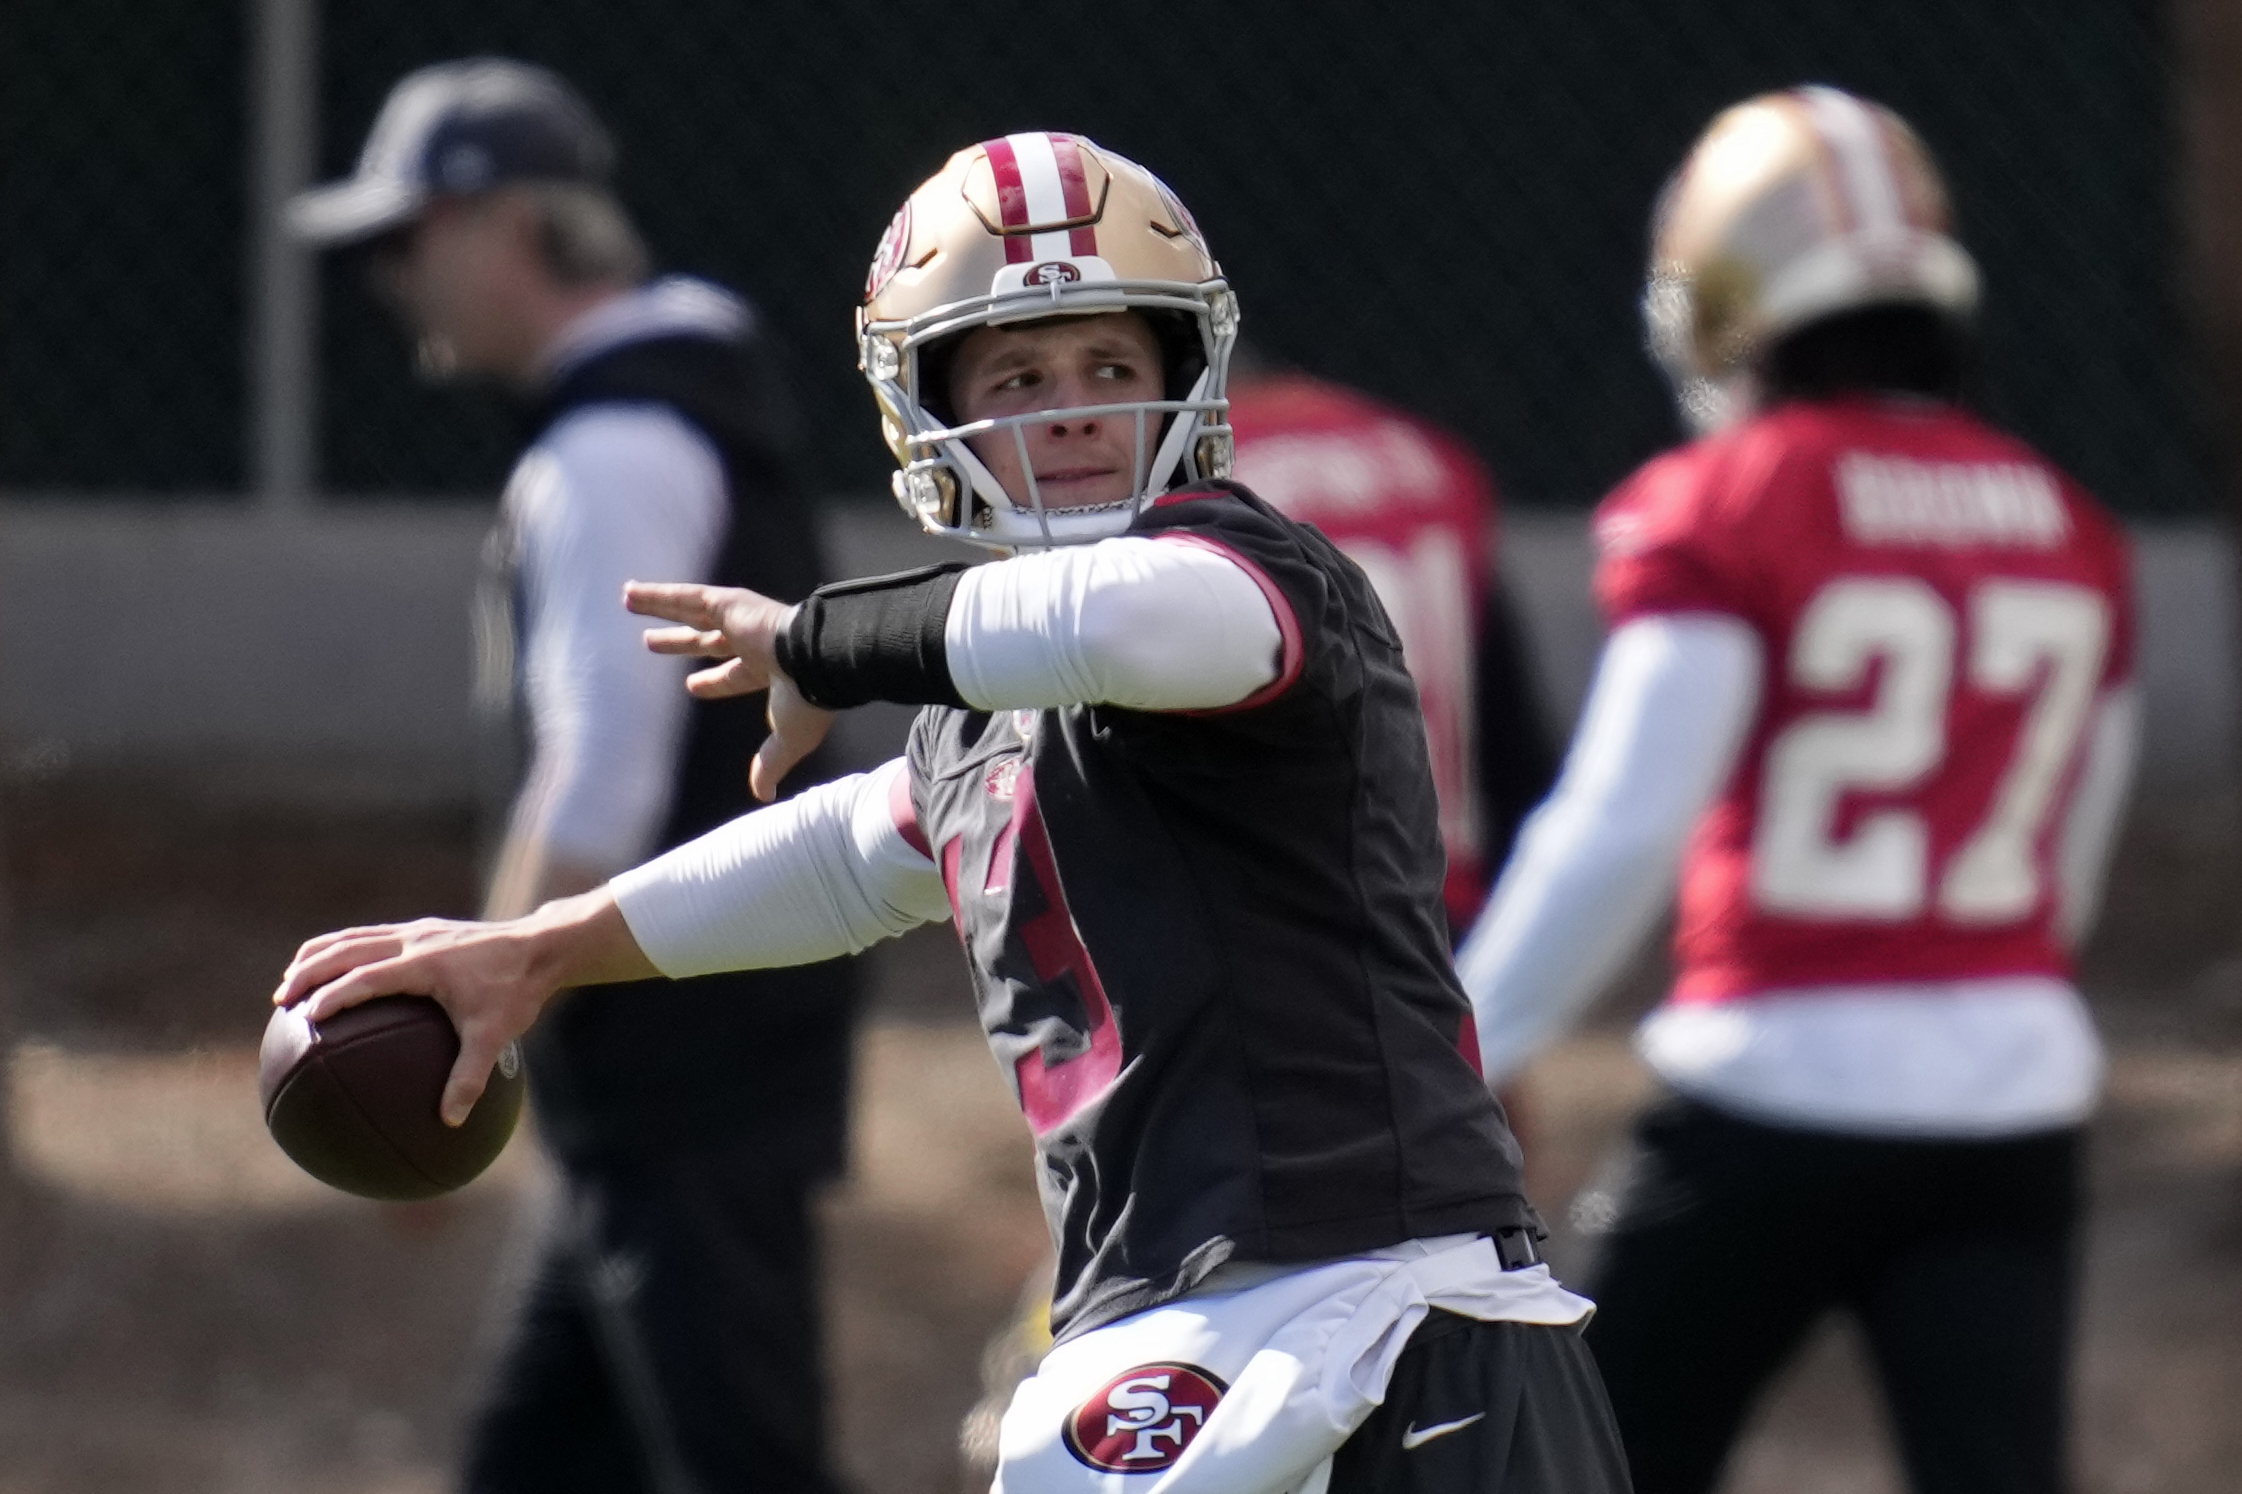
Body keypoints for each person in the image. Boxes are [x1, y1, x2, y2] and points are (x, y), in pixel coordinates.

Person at [277, 131, 1629, 1494]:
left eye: (1111, 365)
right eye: (1019, 374)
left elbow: (1125, 623)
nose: (1077, 407)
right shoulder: (983, 715)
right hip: (1160, 1337)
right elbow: (838, 857)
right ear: (928, 414)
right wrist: (543, 946)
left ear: (1184, 377)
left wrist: (822, 639)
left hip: (1392, 1316)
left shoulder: (1252, 578)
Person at [1453, 87, 2138, 1494]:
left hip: (1767, 1090)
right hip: (2011, 1102)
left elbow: (1621, 821)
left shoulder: (1732, 496)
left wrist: (1444, 1058)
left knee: (1588, 1467)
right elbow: (2061, 867)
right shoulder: (2065, 519)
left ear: (1723, 300)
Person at [287, 59, 856, 1494]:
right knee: (533, 1463)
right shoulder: (680, 399)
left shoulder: (614, 447)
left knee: (744, 1462)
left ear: (500, 225)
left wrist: (471, 1018)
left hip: (689, 1055)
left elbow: (599, 782)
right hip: (674, 1043)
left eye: (405, 241)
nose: (393, 282)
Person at [1227, 356, 1557, 930]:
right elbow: (1505, 722)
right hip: (1440, 903)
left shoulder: (1193, 477)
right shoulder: (1425, 453)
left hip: (1276, 917)